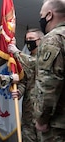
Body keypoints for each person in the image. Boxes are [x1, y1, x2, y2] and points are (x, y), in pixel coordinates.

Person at [34, 0, 65, 141]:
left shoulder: (53, 39)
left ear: (49, 15)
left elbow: (48, 83)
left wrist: (42, 119)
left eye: (41, 14)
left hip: (57, 125)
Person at [8, 28, 44, 142]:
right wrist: (19, 91)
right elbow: (24, 81)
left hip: (44, 113)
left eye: (31, 39)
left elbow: (35, 64)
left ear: (41, 40)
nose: (28, 42)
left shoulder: (47, 56)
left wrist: (16, 52)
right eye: (26, 39)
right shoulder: (24, 60)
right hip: (28, 113)